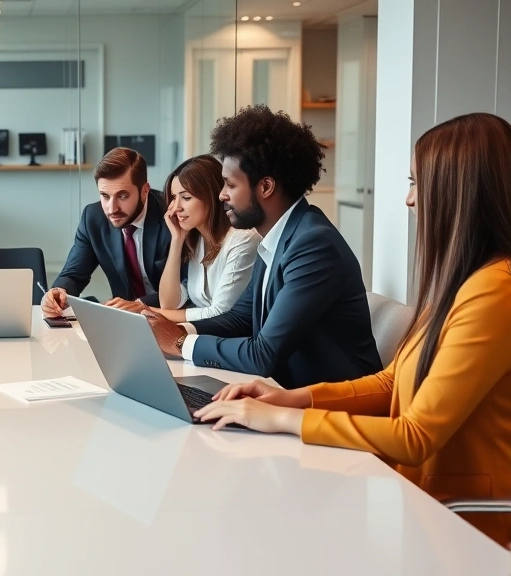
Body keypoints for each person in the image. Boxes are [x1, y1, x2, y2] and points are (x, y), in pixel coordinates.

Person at [194, 112, 511, 546]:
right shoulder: (465, 283)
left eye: (416, 183)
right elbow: (391, 382)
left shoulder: (496, 291)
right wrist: (290, 398)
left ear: (458, 191)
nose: (409, 200)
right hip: (414, 498)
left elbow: (415, 436)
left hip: (461, 524)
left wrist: (282, 419)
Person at [144, 105, 381, 389]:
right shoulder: (277, 238)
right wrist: (172, 331)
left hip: (330, 404)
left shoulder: (313, 245)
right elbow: (240, 319)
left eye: (230, 185)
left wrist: (181, 343)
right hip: (283, 392)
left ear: (266, 187)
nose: (221, 195)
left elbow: (263, 354)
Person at [108, 155, 259, 322]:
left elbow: (220, 313)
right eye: (174, 197)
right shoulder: (198, 240)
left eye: (186, 197)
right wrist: (177, 240)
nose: (176, 207)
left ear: (212, 196)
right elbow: (169, 304)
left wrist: (145, 310)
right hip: (198, 332)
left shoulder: (243, 241)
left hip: (225, 335)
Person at [41, 147, 172, 317]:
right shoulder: (93, 218)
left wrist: (141, 305)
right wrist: (59, 293)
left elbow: (187, 288)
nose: (112, 209)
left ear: (144, 191)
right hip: (124, 320)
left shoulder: (171, 215)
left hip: (170, 316)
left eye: (122, 196)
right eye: (105, 196)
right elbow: (74, 275)